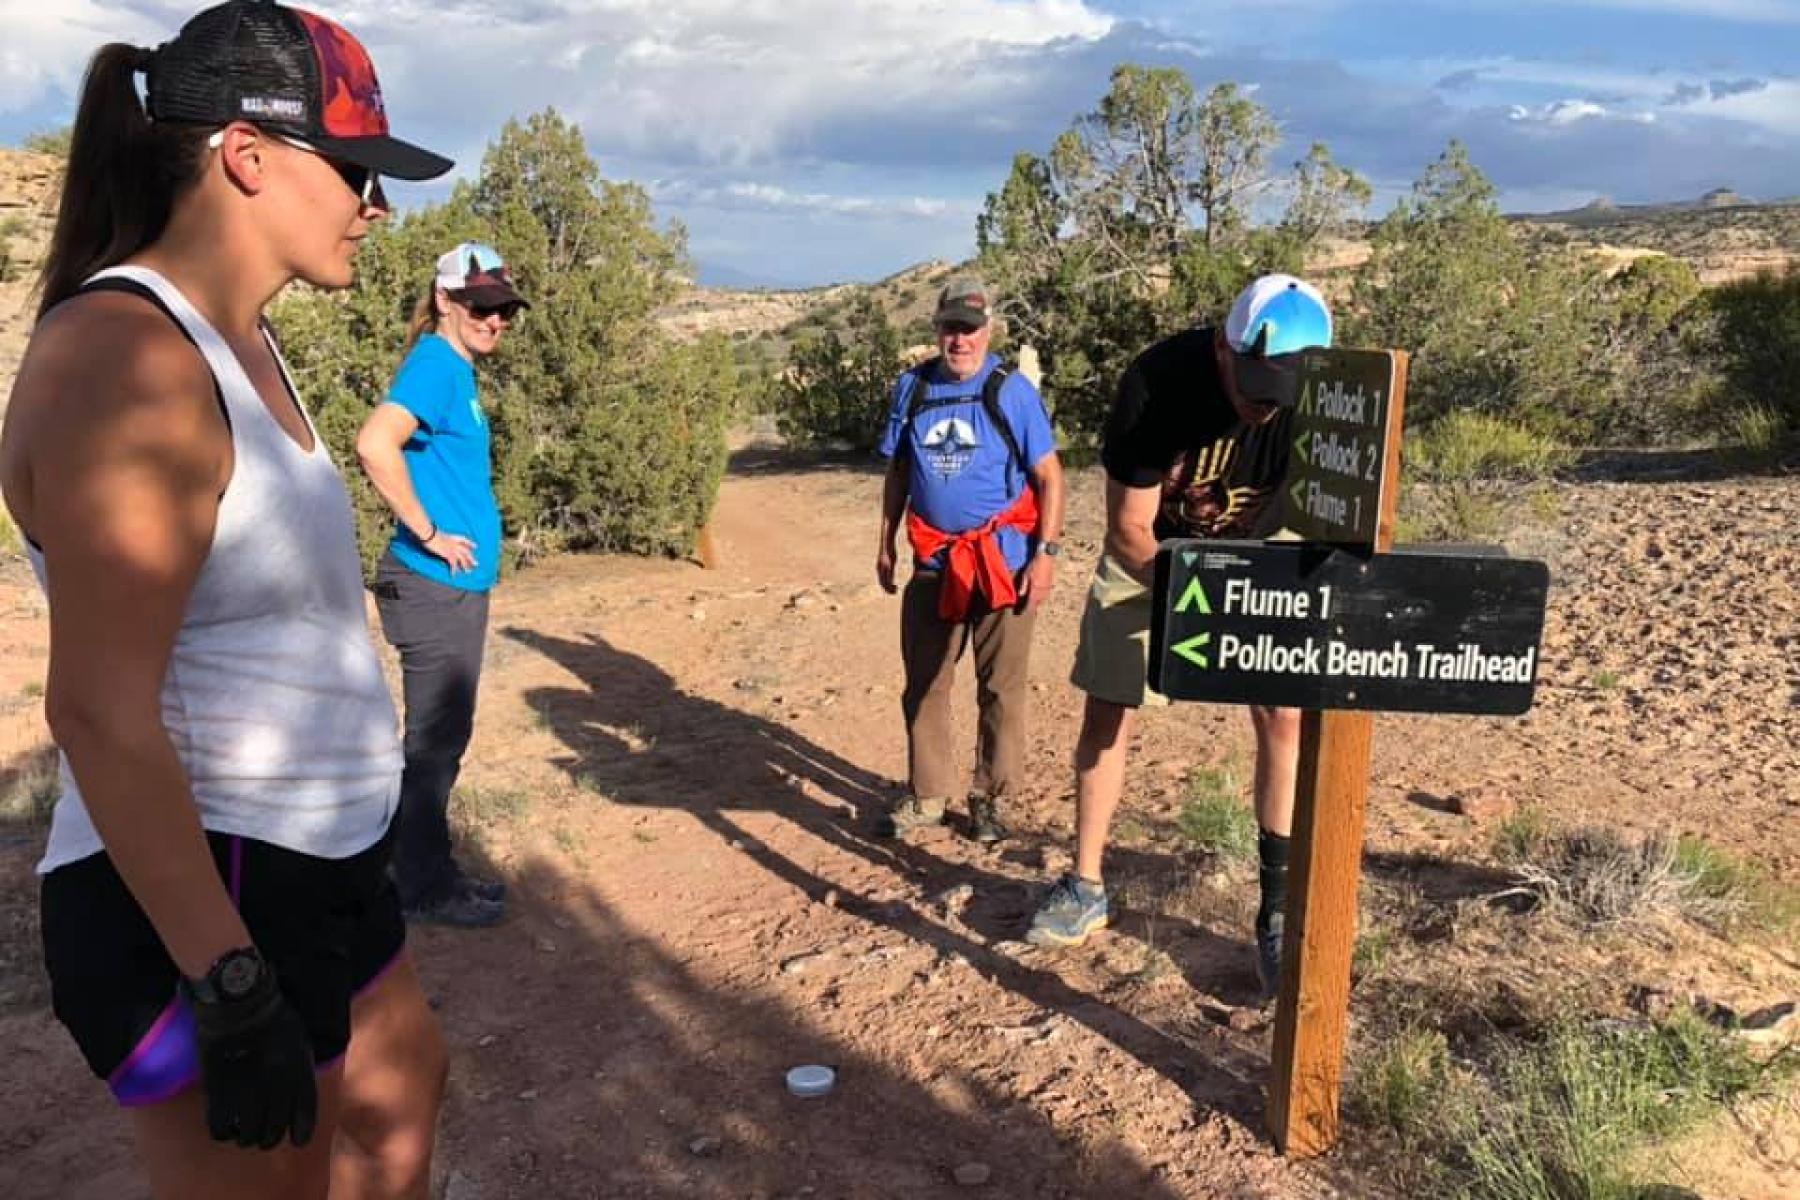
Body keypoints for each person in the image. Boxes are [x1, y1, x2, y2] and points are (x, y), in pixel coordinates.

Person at [0, 2, 454, 1195]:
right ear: (247, 156)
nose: (377, 205)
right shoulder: (128, 359)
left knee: (403, 1106)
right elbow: (97, 714)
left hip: (320, 856)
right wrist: (230, 982)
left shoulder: (235, 335)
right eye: (356, 170)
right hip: (213, 887)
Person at [1025, 275, 1334, 1001]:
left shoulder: (1321, 397)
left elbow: (1335, 503)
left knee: (1284, 710)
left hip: (1263, 544)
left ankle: (1278, 908)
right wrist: (1200, 600)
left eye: (1280, 391)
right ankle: (1086, 883)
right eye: (1254, 386)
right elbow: (1128, 529)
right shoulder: (1156, 386)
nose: (1265, 406)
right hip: (1157, 553)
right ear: (1224, 350)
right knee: (1110, 703)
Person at [356, 243, 527, 928]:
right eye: (482, 306)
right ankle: (421, 885)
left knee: (441, 738)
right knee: (434, 741)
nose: (496, 320)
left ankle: (425, 868)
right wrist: (428, 532)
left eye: (505, 309)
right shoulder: (434, 364)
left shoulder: (454, 368)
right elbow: (375, 443)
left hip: (447, 587)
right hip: (432, 584)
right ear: (445, 301)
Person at [875, 277, 1066, 843]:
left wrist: (1046, 554)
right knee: (925, 680)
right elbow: (899, 472)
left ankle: (992, 799)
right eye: (951, 329)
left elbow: (1050, 476)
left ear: (990, 330)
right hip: (934, 561)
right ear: (936, 330)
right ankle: (929, 794)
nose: (961, 340)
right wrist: (885, 542)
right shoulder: (912, 389)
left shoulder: (1010, 390)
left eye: (971, 329)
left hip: (1002, 563)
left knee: (1001, 686)